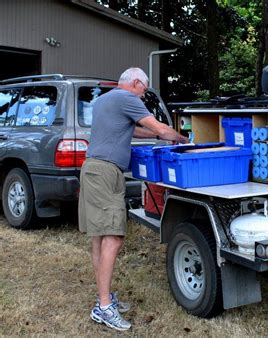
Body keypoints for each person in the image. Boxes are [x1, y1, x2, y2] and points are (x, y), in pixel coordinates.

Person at [78, 67, 188, 331]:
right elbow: (159, 128)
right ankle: (104, 307)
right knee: (114, 236)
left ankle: (104, 298)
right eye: (144, 91)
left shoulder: (105, 99)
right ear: (136, 83)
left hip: (95, 169)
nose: (143, 96)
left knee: (100, 236)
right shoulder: (128, 98)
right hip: (105, 172)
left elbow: (134, 131)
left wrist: (154, 133)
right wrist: (182, 138)